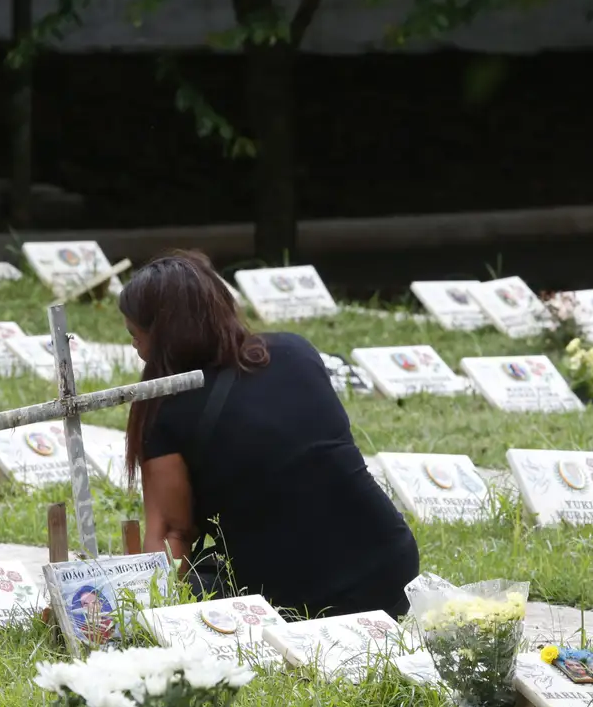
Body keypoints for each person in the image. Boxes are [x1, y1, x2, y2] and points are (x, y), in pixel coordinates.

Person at [121, 251, 419, 618]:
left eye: (135, 334)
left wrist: (147, 615)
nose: (134, 343)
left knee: (201, 583)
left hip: (294, 595)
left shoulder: (165, 407)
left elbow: (172, 533)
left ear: (161, 331)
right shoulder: (297, 351)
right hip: (390, 569)